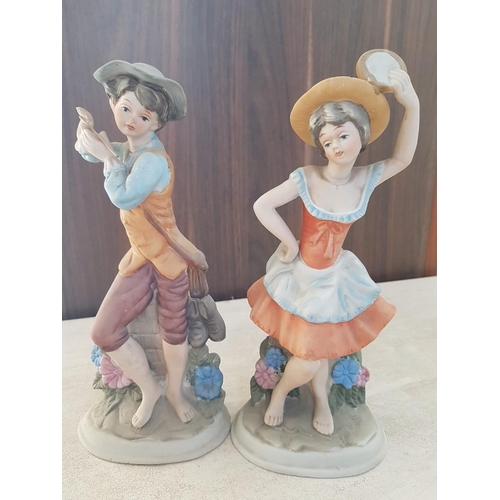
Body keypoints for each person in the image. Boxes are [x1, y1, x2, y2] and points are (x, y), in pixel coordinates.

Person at [247, 69, 419, 435]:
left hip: (335, 278)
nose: (336, 146)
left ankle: (321, 399)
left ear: (362, 134)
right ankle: (281, 393)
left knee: (320, 349)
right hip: (302, 278)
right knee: (310, 356)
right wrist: (290, 242)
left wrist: (413, 106)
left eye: (343, 135)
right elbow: (263, 205)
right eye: (327, 142)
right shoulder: (308, 177)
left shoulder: (365, 179)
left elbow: (403, 159)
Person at [75, 60, 207, 428]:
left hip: (167, 260)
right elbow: (93, 151)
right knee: (103, 332)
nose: (132, 120)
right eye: (125, 109)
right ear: (113, 105)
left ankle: (175, 391)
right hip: (139, 258)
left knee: (174, 330)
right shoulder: (128, 150)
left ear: (157, 122)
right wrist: (88, 138)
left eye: (144, 116)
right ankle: (149, 388)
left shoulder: (151, 161)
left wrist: (106, 157)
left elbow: (123, 196)